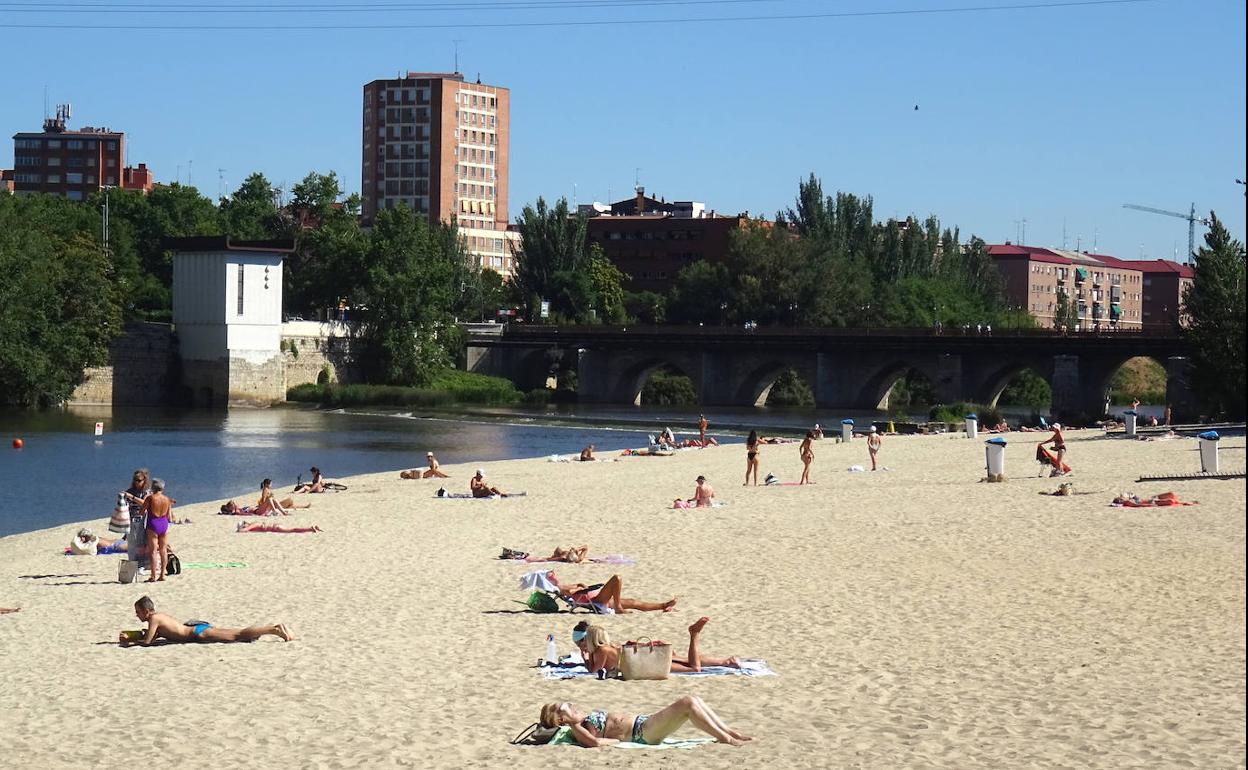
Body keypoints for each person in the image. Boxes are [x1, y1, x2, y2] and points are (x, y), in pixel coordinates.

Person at [538, 697, 753, 747]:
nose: (572, 705)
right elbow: (594, 743)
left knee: (693, 699)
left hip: (645, 723)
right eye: (566, 707)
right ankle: (724, 737)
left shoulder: (581, 720)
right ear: (561, 720)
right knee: (687, 703)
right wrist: (617, 742)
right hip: (642, 732)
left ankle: (729, 732)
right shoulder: (577, 727)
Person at [573, 616, 741, 677]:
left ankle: (694, 635)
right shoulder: (609, 646)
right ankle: (725, 662)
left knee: (693, 668)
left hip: (644, 664)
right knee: (683, 660)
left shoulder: (601, 651)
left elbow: (593, 670)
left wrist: (585, 659)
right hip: (643, 655)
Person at [120, 596, 293, 647]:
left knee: (238, 635)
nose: (137, 615)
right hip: (197, 629)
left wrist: (133, 642)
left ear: (146, 611)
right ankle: (274, 629)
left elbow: (148, 642)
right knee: (236, 634)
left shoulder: (154, 619)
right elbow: (158, 635)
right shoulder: (159, 616)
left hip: (198, 633)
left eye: (138, 612)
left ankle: (273, 629)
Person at [545, 571, 676, 614]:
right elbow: (574, 592)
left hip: (597, 597)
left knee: (633, 602)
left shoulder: (562, 585)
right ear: (550, 581)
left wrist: (580, 586)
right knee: (616, 579)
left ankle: (663, 605)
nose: (554, 575)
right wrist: (579, 588)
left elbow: (579, 586)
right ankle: (618, 608)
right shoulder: (561, 588)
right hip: (596, 601)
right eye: (551, 575)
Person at [141, 479, 173, 582]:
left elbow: (142, 511)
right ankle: (162, 574)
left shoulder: (150, 498)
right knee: (163, 550)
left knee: (153, 551)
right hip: (163, 523)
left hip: (153, 523)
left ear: (153, 487)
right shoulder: (167, 499)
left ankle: (153, 576)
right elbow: (169, 516)